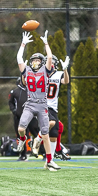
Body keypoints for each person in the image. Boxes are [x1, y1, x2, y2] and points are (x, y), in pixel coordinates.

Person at [16, 30, 61, 171]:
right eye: (34, 60)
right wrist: (23, 44)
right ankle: (23, 140)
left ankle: (50, 161)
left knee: (45, 134)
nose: (36, 62)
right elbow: (18, 58)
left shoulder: (45, 70)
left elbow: (49, 57)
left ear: (41, 63)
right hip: (30, 104)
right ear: (31, 62)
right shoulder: (27, 70)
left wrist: (46, 43)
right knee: (21, 128)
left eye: (38, 60)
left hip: (42, 105)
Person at [32, 54, 71, 161]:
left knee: (53, 135)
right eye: (50, 62)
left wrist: (65, 70)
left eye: (53, 62)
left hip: (53, 107)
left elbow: (66, 81)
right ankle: (38, 139)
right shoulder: (40, 74)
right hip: (42, 105)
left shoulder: (59, 74)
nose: (51, 64)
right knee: (51, 123)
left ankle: (50, 160)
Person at [8, 77, 40, 161]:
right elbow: (10, 102)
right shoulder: (15, 92)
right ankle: (23, 154)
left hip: (31, 116)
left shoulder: (32, 90)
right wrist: (14, 111)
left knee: (37, 134)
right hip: (19, 117)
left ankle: (41, 152)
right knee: (20, 135)